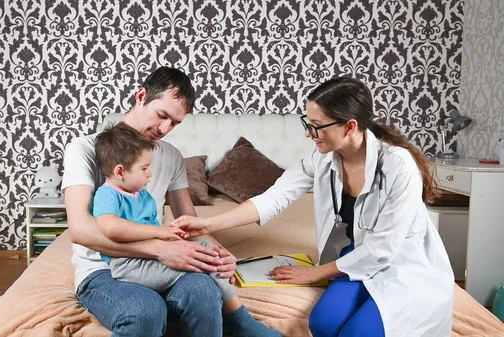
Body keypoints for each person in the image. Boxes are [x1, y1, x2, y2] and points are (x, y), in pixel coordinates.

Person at [172, 77, 454, 337]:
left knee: (357, 333)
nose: (309, 134)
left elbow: (382, 251)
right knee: (322, 323)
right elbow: (274, 197)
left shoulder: (397, 164)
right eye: (307, 123)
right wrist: (209, 224)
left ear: (350, 126)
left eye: (316, 126)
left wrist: (314, 273)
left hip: (402, 263)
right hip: (356, 254)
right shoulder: (323, 160)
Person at [62, 66, 237, 337]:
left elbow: (188, 224)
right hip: (102, 268)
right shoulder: (84, 149)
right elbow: (80, 229)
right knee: (145, 309)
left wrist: (219, 254)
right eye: (162, 115)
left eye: (175, 123)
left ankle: (241, 323)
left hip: (157, 264)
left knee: (204, 291)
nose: (165, 128)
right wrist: (159, 248)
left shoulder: (172, 156)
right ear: (141, 96)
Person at [92, 122, 281, 337]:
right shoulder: (107, 194)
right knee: (201, 263)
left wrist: (174, 236)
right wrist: (160, 233)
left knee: (204, 249)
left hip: (149, 257)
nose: (150, 174)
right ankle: (237, 318)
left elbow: (153, 229)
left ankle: (233, 312)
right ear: (119, 171)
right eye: (144, 169)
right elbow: (110, 227)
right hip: (128, 265)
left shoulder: (141, 194)